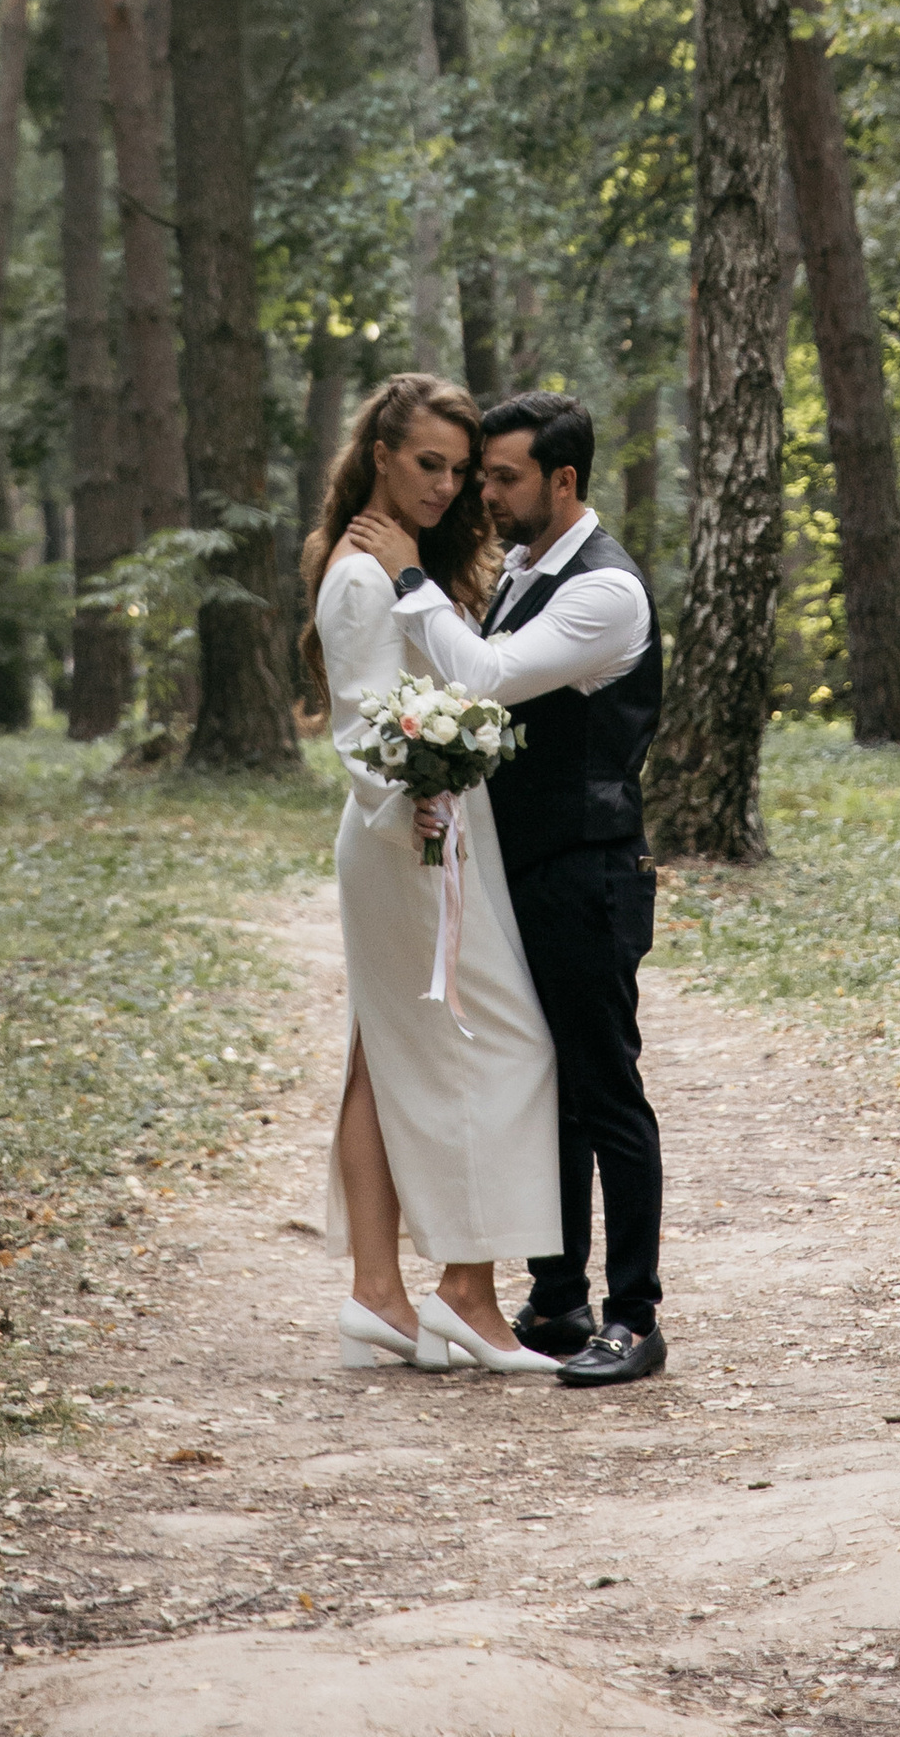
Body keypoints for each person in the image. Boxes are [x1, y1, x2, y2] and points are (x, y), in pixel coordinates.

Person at [345, 388, 667, 1389]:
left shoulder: (604, 591)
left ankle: (635, 1316)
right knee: (544, 1086)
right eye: (476, 473)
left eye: (503, 476)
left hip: (587, 871)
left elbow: (481, 679)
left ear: (562, 480)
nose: (481, 493)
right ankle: (558, 1299)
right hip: (520, 870)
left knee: (605, 1089)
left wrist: (406, 574)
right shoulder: (529, 566)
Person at [303, 371, 566, 1377]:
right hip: (407, 835)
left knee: (382, 1056)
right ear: (378, 456)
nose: (446, 486)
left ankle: (378, 1294)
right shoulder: (363, 573)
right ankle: (468, 1289)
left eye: (459, 471)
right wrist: (414, 791)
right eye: (427, 464)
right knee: (500, 1044)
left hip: (433, 826)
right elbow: (364, 720)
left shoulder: (404, 562)